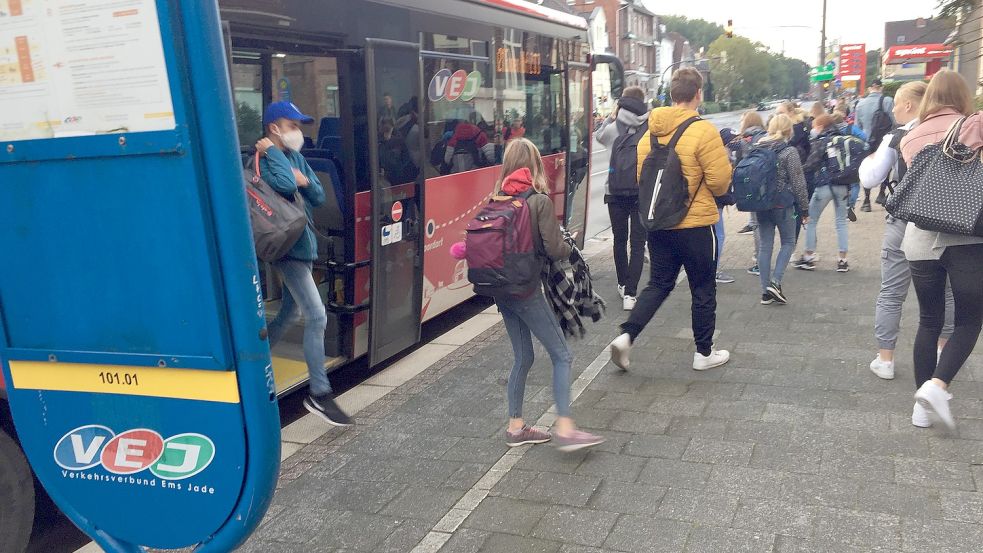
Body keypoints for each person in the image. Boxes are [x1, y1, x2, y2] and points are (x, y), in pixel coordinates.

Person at [608, 68, 733, 372]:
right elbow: (719, 183)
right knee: (702, 287)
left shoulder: (649, 134)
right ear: (698, 94)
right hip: (697, 225)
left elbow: (643, 179)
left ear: (672, 94)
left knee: (658, 284)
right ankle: (704, 353)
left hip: (660, 224)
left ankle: (627, 336)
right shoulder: (704, 131)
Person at [490, 138, 605, 452]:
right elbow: (555, 249)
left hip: (501, 291)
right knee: (562, 355)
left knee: (523, 357)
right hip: (526, 290)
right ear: (535, 165)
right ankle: (565, 428)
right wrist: (570, 244)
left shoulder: (496, 197)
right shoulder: (537, 200)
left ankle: (516, 427)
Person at [858, 81, 956, 413]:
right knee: (946, 293)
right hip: (949, 223)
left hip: (905, 222)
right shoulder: (960, 128)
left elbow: (870, 178)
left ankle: (885, 358)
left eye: (898, 106)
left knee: (891, 291)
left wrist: (869, 158)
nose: (895, 112)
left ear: (911, 106)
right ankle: (943, 354)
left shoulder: (900, 137)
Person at [256, 101, 352, 426]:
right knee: (316, 314)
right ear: (274, 128)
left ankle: (255, 361)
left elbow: (319, 196)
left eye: (299, 124)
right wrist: (274, 156)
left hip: (304, 243)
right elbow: (283, 185)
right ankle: (319, 393)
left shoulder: (296, 157)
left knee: (291, 311)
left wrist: (304, 180)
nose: (298, 130)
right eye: (292, 124)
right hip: (287, 248)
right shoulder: (266, 160)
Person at [898, 70, 983, 431]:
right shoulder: (974, 125)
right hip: (964, 235)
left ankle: (922, 408)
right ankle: (937, 384)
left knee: (929, 319)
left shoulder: (910, 135)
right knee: (969, 318)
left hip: (919, 238)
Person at [594, 86, 650, 310]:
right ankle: (631, 293)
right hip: (640, 191)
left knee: (619, 239)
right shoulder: (649, 125)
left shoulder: (611, 128)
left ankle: (621, 282)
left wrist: (611, 116)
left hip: (614, 192)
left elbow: (598, 136)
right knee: (638, 243)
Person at [752, 115, 810, 305]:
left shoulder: (757, 147)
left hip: (761, 204)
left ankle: (764, 292)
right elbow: (799, 182)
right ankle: (775, 283)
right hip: (783, 204)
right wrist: (804, 209)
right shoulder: (789, 151)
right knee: (788, 242)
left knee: (765, 245)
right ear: (788, 130)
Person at [795, 114, 851, 272]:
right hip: (843, 185)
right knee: (841, 222)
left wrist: (799, 171)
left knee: (811, 220)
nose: (812, 129)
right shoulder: (843, 139)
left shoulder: (821, 141)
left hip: (824, 185)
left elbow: (812, 163)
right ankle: (842, 260)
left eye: (814, 126)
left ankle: (808, 257)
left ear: (820, 126)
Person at [855, 79, 896, 211]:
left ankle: (866, 200)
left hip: (866, 141)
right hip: (883, 140)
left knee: (867, 168)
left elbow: (857, 126)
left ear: (869, 89)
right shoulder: (888, 101)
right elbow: (894, 121)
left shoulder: (860, 104)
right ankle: (881, 193)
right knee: (886, 166)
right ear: (881, 88)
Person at [831, 110, 867, 221]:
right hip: (855, 158)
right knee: (855, 184)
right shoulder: (851, 128)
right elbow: (864, 136)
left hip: (840, 160)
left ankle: (846, 205)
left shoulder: (833, 132)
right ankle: (851, 205)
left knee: (844, 184)